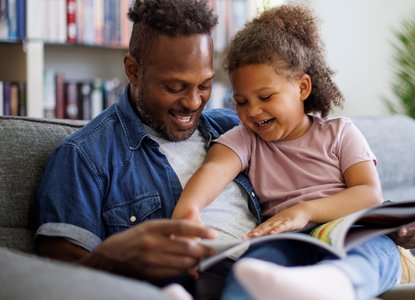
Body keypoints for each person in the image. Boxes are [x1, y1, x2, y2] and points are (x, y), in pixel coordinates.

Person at [34, 1, 414, 300]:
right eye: (175, 86)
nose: (193, 103)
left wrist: (389, 228)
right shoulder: (86, 156)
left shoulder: (232, 125)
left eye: (204, 85)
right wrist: (122, 259)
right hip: (220, 275)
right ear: (133, 71)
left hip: (299, 264)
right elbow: (51, 277)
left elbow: (360, 193)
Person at [172, 4, 408, 300]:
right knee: (251, 267)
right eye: (241, 102)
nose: (253, 111)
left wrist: (303, 212)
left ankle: (336, 285)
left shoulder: (340, 132)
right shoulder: (246, 139)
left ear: (302, 87)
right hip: (287, 240)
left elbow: (368, 193)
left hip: (348, 233)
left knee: (379, 253)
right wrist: (187, 213)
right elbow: (214, 170)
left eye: (266, 96)